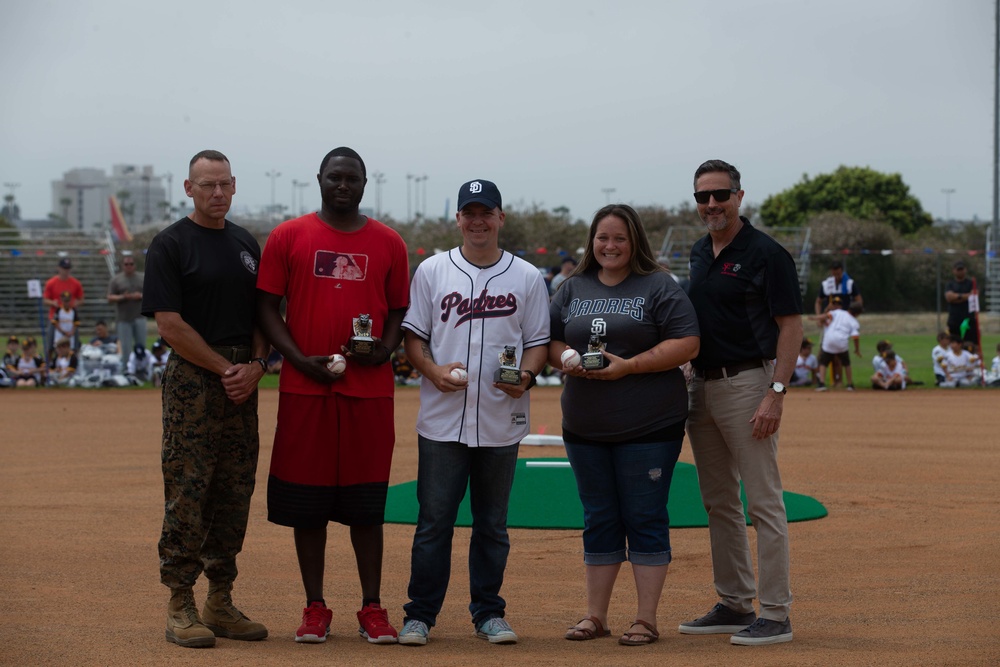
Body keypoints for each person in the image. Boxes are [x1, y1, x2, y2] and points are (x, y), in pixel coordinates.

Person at [256, 147, 409, 646]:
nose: (343, 185)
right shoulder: (288, 236)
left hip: (368, 393)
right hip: (306, 388)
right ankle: (315, 606)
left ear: (366, 183)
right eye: (335, 177)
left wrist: (385, 349)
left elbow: (397, 309)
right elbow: (266, 305)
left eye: (353, 178)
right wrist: (297, 360)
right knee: (309, 504)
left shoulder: (389, 242)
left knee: (366, 505)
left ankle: (372, 606)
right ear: (319, 179)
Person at [398, 179, 550, 647]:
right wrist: (431, 369)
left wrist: (523, 378)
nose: (478, 220)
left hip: (501, 422)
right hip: (442, 420)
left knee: (492, 524)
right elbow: (414, 338)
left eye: (487, 212)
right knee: (434, 522)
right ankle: (420, 615)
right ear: (459, 219)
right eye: (470, 212)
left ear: (501, 218)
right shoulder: (432, 270)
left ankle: (489, 613)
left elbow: (538, 343)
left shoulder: (526, 276)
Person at [548, 204, 699, 646]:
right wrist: (566, 358)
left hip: (649, 426)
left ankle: (645, 619)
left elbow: (688, 342)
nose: (609, 246)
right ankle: (595, 616)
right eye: (602, 238)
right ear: (591, 242)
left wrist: (630, 366)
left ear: (635, 243)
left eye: (619, 238)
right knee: (599, 518)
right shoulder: (571, 286)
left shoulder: (658, 285)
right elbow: (550, 336)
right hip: (584, 425)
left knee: (644, 516)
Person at [141, 149, 269, 649]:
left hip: (242, 381)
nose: (217, 193)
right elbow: (169, 324)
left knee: (234, 490)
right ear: (188, 188)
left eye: (224, 184)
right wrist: (227, 369)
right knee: (188, 489)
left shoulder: (244, 243)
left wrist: (257, 366)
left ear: (234, 186)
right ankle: (180, 601)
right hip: (196, 381)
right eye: (206, 185)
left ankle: (220, 598)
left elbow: (263, 313)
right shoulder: (170, 245)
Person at [679, 160, 803, 646]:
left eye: (720, 195)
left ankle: (776, 613)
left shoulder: (766, 254)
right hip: (702, 387)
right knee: (719, 502)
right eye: (703, 197)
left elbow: (791, 325)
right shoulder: (697, 251)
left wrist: (776, 392)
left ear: (739, 196)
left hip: (750, 383)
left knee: (764, 502)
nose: (712, 204)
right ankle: (734, 601)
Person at [108, 254, 147, 364]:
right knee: (125, 347)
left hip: (139, 316)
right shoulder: (116, 280)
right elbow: (110, 297)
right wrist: (123, 297)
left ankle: (141, 369)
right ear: (122, 266)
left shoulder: (142, 278)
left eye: (131, 264)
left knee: (141, 345)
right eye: (126, 264)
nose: (129, 266)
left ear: (135, 265)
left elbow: (151, 294)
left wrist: (140, 296)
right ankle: (125, 370)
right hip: (123, 318)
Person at [814, 303, 862, 392]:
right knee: (846, 363)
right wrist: (857, 349)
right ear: (857, 313)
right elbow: (855, 337)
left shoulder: (838, 312)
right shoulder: (854, 322)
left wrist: (815, 318)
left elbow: (826, 316)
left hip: (829, 340)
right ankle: (850, 385)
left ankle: (821, 384)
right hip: (842, 342)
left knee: (823, 363)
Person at [43, 258, 84, 353]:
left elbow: (81, 299)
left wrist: (74, 304)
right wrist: (53, 303)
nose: (66, 271)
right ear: (59, 268)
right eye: (64, 268)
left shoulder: (76, 283)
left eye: (68, 269)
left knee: (74, 342)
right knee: (51, 343)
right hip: (56, 316)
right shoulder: (51, 283)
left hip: (70, 317)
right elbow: (45, 300)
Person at [944, 261, 979, 353]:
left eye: (962, 269)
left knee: (972, 343)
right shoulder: (950, 284)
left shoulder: (971, 283)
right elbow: (949, 297)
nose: (960, 272)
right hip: (954, 319)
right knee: (954, 343)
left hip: (969, 318)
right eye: (958, 270)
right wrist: (965, 296)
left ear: (965, 270)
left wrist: (957, 297)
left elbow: (974, 295)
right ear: (954, 271)